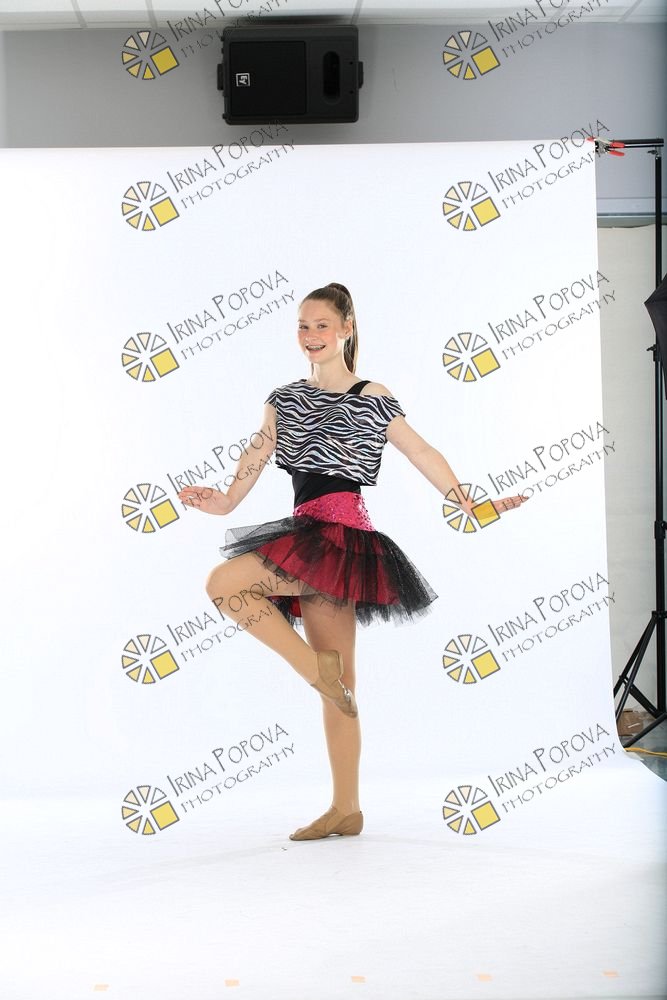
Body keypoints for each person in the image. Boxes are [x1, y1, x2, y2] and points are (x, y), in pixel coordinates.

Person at [177, 282, 527, 841]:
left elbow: (420, 450)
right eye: (303, 326)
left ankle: (345, 803)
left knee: (332, 674)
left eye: (321, 325)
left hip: (344, 539)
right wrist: (222, 501)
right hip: (305, 533)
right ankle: (319, 694)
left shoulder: (372, 395)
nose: (311, 335)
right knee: (235, 592)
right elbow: (254, 455)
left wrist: (466, 500)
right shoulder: (283, 399)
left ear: (346, 329)